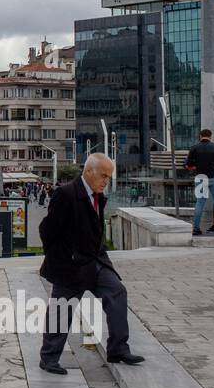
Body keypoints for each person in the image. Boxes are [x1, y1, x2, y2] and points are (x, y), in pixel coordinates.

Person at [37, 153, 144, 375]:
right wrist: (61, 260)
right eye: (103, 175)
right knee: (61, 310)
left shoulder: (97, 195)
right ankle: (48, 358)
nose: (106, 181)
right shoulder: (65, 194)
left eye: (109, 177)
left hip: (96, 262)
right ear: (88, 172)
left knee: (117, 292)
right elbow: (47, 231)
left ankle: (118, 349)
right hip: (70, 266)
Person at [186, 129, 214, 236]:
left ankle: (196, 228)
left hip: (201, 177)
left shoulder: (194, 148)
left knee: (200, 203)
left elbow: (188, 164)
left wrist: (196, 165)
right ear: (210, 136)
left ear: (200, 136)